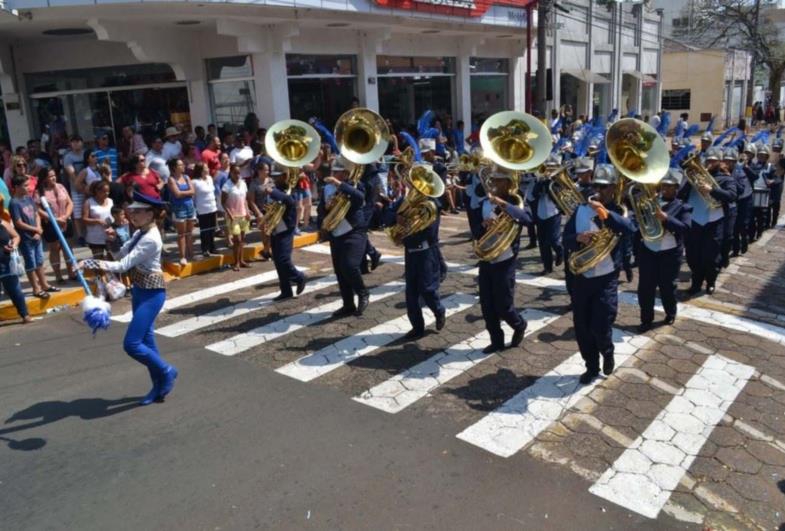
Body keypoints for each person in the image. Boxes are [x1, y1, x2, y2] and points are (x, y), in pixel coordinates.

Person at [81, 192, 178, 406]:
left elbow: (122, 266)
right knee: (147, 339)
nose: (133, 214)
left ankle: (166, 371)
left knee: (132, 344)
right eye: (132, 210)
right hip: (139, 290)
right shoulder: (139, 233)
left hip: (152, 294)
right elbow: (119, 256)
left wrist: (90, 263)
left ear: (151, 214)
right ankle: (159, 386)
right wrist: (112, 241)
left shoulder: (152, 238)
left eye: (138, 211)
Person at [563, 166, 635, 384]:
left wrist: (605, 212)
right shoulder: (580, 210)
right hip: (582, 277)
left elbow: (630, 228)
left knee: (601, 324)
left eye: (604, 186)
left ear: (613, 188)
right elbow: (565, 239)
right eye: (596, 186)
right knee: (582, 326)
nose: (599, 190)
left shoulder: (618, 210)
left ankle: (607, 350)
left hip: (606, 278)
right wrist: (578, 238)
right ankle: (591, 366)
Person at [383, 168, 446, 340]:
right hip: (410, 252)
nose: (415, 188)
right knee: (411, 293)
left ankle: (439, 311)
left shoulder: (432, 206)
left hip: (427, 252)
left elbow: (429, 232)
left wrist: (408, 225)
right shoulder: (405, 200)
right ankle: (417, 327)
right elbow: (388, 214)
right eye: (414, 184)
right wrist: (397, 217)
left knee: (427, 289)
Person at [476, 168, 532, 353]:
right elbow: (476, 230)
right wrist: (484, 226)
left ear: (508, 183)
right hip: (487, 258)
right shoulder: (485, 203)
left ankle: (519, 324)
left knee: (504, 305)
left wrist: (502, 204)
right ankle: (496, 341)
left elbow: (527, 219)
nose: (494, 183)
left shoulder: (515, 201)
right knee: (487, 305)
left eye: (500, 181)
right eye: (493, 180)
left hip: (505, 260)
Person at [635, 169, 692, 332]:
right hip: (648, 250)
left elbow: (685, 228)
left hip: (670, 252)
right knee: (645, 287)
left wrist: (666, 218)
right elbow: (639, 222)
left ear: (676, 188)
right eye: (664, 185)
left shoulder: (683, 207)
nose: (666, 189)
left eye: (670, 186)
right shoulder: (650, 202)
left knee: (667, 287)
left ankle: (670, 312)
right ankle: (646, 320)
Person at [679, 147, 737, 295]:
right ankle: (696, 283)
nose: (710, 163)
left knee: (710, 257)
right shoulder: (693, 177)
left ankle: (711, 281)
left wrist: (712, 190)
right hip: (694, 221)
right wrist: (688, 183)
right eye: (708, 160)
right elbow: (680, 195)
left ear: (719, 161)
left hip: (713, 221)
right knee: (693, 256)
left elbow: (731, 196)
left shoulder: (726, 178)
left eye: (713, 160)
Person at [318, 160, 369, 317]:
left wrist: (340, 185)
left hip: (354, 231)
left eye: (337, 172)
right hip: (336, 233)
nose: (333, 175)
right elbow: (321, 209)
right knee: (340, 271)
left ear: (346, 174)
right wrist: (326, 207)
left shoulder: (355, 185)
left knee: (350, 265)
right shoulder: (326, 188)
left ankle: (363, 292)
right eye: (333, 172)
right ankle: (348, 304)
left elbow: (360, 198)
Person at [264, 168, 307, 300]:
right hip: (275, 228)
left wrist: (273, 192)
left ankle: (299, 277)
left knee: (284, 259)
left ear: (284, 177)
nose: (275, 179)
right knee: (277, 261)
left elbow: (289, 201)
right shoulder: (275, 189)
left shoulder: (289, 189)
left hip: (286, 230)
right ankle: (286, 290)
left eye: (277, 177)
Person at [10, 175, 55, 298]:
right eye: (25, 185)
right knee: (31, 263)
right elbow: (18, 222)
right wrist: (35, 229)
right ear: (16, 187)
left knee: (39, 261)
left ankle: (44, 284)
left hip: (36, 236)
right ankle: (36, 288)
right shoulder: (14, 203)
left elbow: (36, 214)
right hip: (26, 239)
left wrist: (38, 229)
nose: (28, 188)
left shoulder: (29, 199)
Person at [36, 168, 75, 283]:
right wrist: (54, 219)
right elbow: (37, 209)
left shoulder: (61, 186)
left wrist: (65, 216)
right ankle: (58, 276)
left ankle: (71, 272)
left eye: (54, 175)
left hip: (65, 221)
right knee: (55, 249)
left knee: (68, 248)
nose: (53, 178)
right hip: (51, 224)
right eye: (50, 176)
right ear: (44, 178)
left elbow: (70, 202)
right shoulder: (40, 191)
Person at [531, 155, 564, 274]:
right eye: (546, 167)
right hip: (541, 213)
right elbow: (534, 195)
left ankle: (560, 251)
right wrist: (540, 182)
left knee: (553, 240)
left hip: (553, 213)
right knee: (543, 243)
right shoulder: (539, 180)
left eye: (550, 168)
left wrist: (549, 182)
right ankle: (547, 267)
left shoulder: (558, 181)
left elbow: (557, 195)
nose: (547, 170)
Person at [0, 194, 31, 323]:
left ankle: (25, 315)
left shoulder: (4, 223)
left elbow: (16, 236)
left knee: (15, 289)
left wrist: (14, 245)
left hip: (6, 263)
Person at [221, 163, 251, 271]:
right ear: (231, 173)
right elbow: (223, 202)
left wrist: (247, 212)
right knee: (236, 240)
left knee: (242, 239)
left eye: (239, 173)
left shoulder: (243, 183)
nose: (237, 175)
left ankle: (242, 260)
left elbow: (245, 200)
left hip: (243, 214)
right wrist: (230, 214)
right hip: (233, 216)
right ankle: (236, 262)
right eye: (235, 173)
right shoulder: (226, 185)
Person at [167, 159, 196, 265]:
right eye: (181, 164)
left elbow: (193, 191)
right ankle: (182, 256)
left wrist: (184, 192)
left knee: (189, 233)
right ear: (174, 167)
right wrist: (187, 193)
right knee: (181, 234)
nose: (183, 166)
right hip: (179, 209)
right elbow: (177, 194)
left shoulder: (187, 177)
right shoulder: (171, 179)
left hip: (190, 207)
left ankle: (191, 254)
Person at [727, 147, 753, 256]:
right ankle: (736, 249)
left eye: (730, 161)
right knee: (734, 226)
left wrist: (730, 178)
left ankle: (744, 240)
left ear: (734, 162)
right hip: (734, 200)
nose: (728, 163)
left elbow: (741, 189)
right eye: (726, 160)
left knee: (742, 224)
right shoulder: (724, 170)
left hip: (744, 199)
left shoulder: (739, 171)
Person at [192, 162, 218, 257]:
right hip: (203, 210)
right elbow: (193, 198)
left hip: (212, 208)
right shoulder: (195, 182)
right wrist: (194, 213)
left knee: (212, 229)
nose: (208, 169)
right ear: (201, 170)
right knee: (205, 231)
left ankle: (212, 247)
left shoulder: (210, 178)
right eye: (206, 167)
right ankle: (205, 249)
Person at [63, 135, 86, 243]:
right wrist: (79, 186)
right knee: (77, 214)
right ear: (70, 144)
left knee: (89, 211)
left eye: (78, 141)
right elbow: (71, 173)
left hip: (89, 187)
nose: (76, 144)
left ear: (82, 142)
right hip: (76, 188)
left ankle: (87, 234)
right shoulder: (68, 157)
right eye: (73, 142)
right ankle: (80, 236)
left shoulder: (86, 154)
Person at [83, 180, 114, 259]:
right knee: (98, 260)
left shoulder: (110, 201)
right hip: (95, 238)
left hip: (110, 236)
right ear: (97, 191)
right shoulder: (88, 202)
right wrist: (97, 221)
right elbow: (84, 219)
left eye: (108, 191)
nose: (106, 193)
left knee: (112, 258)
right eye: (104, 191)